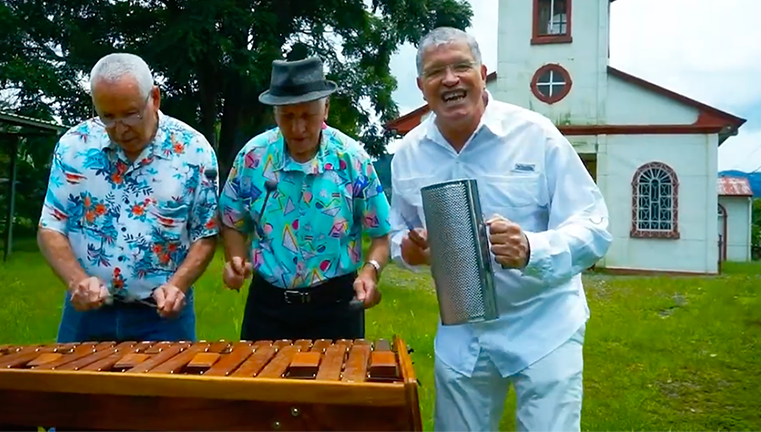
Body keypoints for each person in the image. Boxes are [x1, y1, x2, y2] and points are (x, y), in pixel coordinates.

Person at [389, 27, 612, 431]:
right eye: (437, 72)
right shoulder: (408, 155)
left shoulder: (535, 134)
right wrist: (411, 252)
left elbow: (594, 228)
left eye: (462, 66)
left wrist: (532, 247)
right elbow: (397, 235)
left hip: (544, 325)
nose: (451, 79)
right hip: (462, 330)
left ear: (482, 72)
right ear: (422, 87)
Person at [37, 52, 220, 343]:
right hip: (86, 315)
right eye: (108, 117)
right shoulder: (74, 147)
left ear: (155, 98)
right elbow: (51, 227)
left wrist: (179, 285)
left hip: (163, 318)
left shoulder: (194, 152)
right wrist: (77, 281)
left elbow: (205, 234)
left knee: (166, 390)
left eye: (131, 113)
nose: (120, 128)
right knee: (74, 389)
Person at [218, 55, 391, 341]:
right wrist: (235, 259)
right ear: (275, 113)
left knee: (334, 386)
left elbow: (381, 234)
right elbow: (233, 221)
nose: (298, 129)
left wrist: (370, 272)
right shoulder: (253, 158)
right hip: (268, 307)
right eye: (287, 116)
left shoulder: (352, 159)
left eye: (307, 116)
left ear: (326, 108)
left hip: (336, 308)